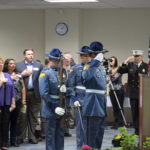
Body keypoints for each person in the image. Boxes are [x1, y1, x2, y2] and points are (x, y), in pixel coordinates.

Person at [39, 48, 67, 150]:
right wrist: (54, 107)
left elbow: (69, 87)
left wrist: (66, 90)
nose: (58, 62)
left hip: (61, 106)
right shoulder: (45, 73)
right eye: (56, 60)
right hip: (50, 108)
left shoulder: (63, 72)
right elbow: (44, 93)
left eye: (59, 60)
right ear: (50, 60)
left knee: (60, 136)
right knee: (50, 136)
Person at [81, 41, 108, 150]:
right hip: (93, 104)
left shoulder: (101, 67)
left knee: (99, 134)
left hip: (101, 102)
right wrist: (95, 61)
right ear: (93, 55)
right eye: (99, 54)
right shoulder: (88, 66)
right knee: (91, 135)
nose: (102, 57)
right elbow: (86, 77)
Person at [16, 49, 43, 144]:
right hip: (23, 94)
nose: (31, 55)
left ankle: (32, 137)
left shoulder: (39, 65)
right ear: (24, 55)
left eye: (32, 54)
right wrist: (21, 74)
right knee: (22, 116)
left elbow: (42, 80)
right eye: (28, 54)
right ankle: (20, 137)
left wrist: (42, 94)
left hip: (35, 94)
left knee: (34, 116)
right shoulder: (18, 65)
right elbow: (14, 77)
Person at [117, 50, 148, 134]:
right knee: (134, 112)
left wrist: (143, 76)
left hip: (143, 92)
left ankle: (143, 128)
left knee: (142, 112)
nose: (135, 58)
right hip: (133, 92)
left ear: (141, 57)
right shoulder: (130, 64)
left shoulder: (145, 65)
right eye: (134, 56)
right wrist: (125, 62)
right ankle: (136, 129)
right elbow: (120, 71)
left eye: (137, 56)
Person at [69, 46, 90, 150]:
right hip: (80, 100)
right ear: (81, 57)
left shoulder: (93, 68)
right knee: (80, 128)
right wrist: (74, 99)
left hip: (91, 101)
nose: (85, 58)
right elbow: (71, 85)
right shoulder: (75, 69)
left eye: (87, 56)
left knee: (90, 127)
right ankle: (79, 147)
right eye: (83, 56)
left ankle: (88, 146)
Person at [3, 59, 26, 147]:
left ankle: (14, 140)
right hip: (6, 102)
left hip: (17, 101)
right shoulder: (3, 75)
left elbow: (23, 87)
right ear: (7, 65)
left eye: (14, 63)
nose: (13, 65)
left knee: (15, 121)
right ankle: (5, 141)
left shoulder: (19, 75)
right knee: (6, 122)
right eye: (10, 63)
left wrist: (23, 99)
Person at [0, 57, 16, 150]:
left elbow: (12, 90)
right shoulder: (3, 78)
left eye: (1, 63)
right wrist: (1, 82)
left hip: (7, 104)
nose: (0, 65)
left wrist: (13, 103)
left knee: (5, 123)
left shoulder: (7, 75)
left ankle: (4, 143)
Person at [108, 56, 124, 129]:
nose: (111, 61)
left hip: (119, 90)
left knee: (119, 107)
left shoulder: (119, 69)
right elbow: (106, 81)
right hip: (112, 90)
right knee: (114, 108)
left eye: (113, 60)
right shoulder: (108, 70)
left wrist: (109, 76)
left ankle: (121, 122)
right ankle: (116, 122)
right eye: (110, 60)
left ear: (116, 61)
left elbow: (115, 78)